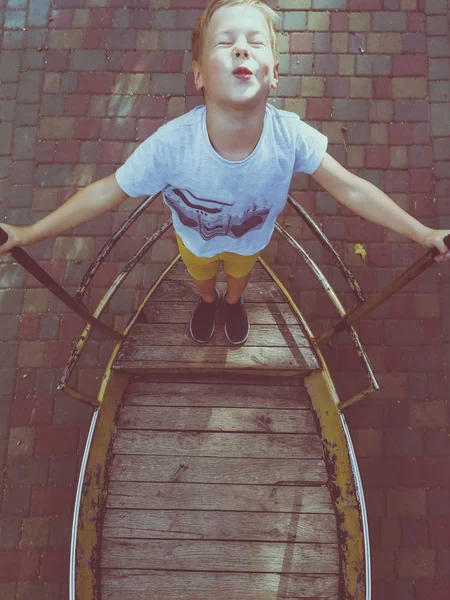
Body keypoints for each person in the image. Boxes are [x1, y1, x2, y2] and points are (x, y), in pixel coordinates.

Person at [1, 0, 449, 346]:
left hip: (249, 242)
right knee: (200, 276)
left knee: (239, 275)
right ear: (198, 75)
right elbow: (108, 191)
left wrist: (421, 232)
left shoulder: (290, 137)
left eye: (256, 42)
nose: (241, 47)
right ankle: (207, 302)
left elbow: (352, 189)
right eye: (225, 41)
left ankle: (232, 304)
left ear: (274, 73)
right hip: (193, 240)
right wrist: (30, 233)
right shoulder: (170, 145)